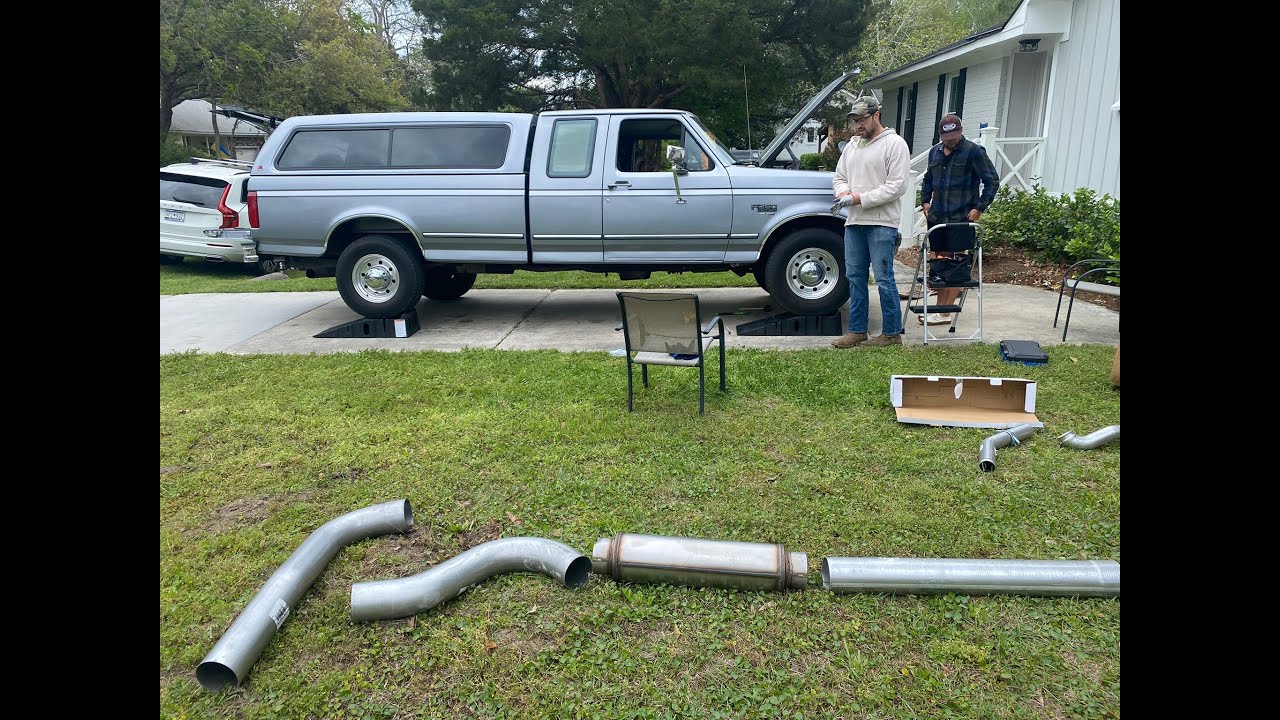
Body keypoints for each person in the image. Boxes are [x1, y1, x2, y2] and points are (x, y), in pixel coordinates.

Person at [830, 95, 912, 348]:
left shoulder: (894, 144)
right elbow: (839, 177)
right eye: (855, 121)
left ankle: (891, 333)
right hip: (854, 221)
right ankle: (857, 331)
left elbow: (897, 186)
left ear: (876, 115)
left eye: (862, 119)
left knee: (884, 278)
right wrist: (843, 192)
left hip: (882, 223)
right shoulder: (852, 146)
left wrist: (859, 198)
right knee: (855, 277)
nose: (858, 125)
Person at [917, 114, 1000, 325]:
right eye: (946, 138)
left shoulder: (974, 151)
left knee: (956, 265)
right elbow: (928, 179)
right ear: (940, 135)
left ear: (961, 131)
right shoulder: (935, 152)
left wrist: (979, 208)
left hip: (961, 217)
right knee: (940, 264)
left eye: (954, 136)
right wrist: (925, 201)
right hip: (937, 217)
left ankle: (945, 313)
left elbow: (992, 181)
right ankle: (939, 309)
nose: (950, 141)